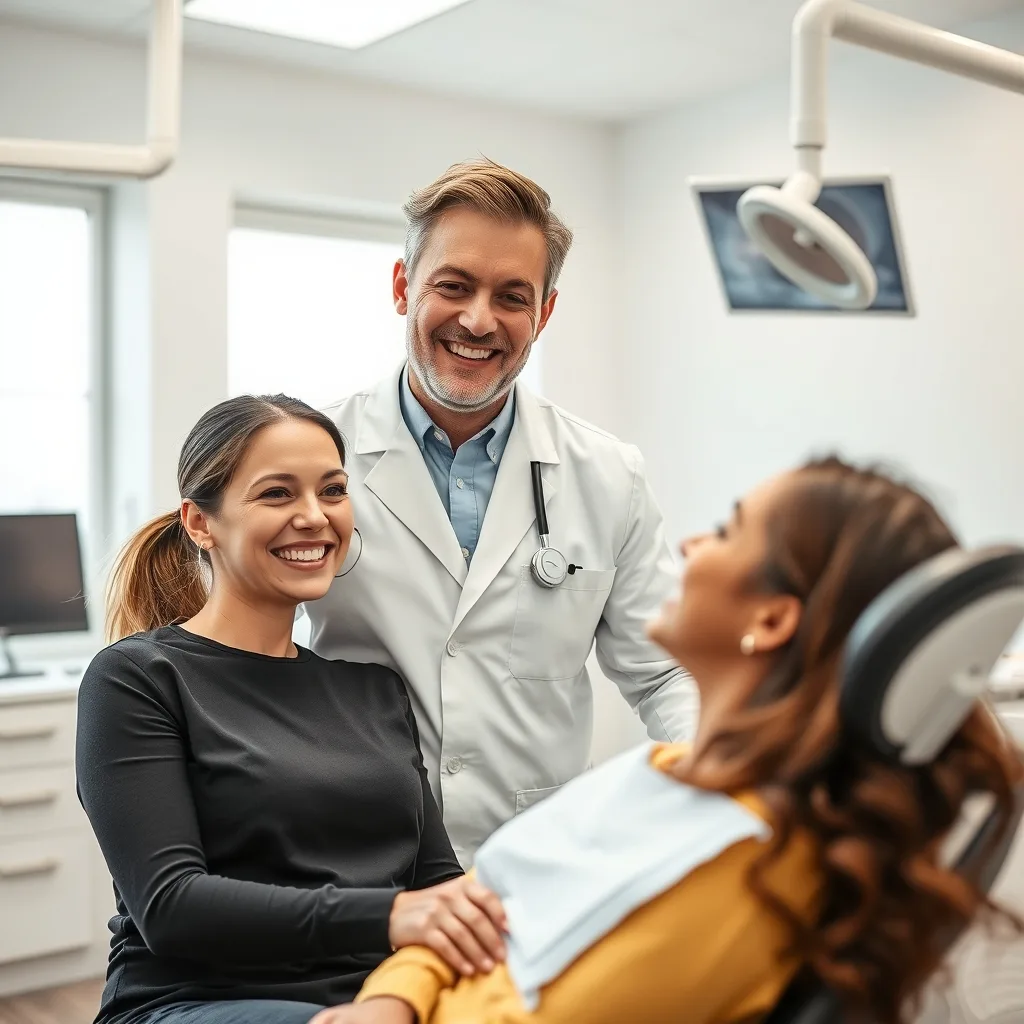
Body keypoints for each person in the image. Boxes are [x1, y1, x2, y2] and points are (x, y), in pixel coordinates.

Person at [305, 456, 1024, 1024]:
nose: (689, 543)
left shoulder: (748, 867)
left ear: (772, 620)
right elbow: (471, 912)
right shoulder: (662, 772)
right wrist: (388, 1001)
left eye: (728, 529)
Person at [306, 159, 697, 865]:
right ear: (403, 289)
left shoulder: (607, 474)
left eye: (512, 296)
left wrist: (717, 776)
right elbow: (235, 647)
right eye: (453, 286)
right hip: (349, 858)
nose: (478, 320)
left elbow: (666, 672)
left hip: (528, 864)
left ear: (543, 313)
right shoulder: (312, 459)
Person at [76, 395, 509, 1024]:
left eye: (332, 491)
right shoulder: (139, 679)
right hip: (199, 1002)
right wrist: (391, 917)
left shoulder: (375, 691)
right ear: (201, 523)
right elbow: (172, 907)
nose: (314, 517)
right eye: (277, 494)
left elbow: (438, 886)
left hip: (383, 998)